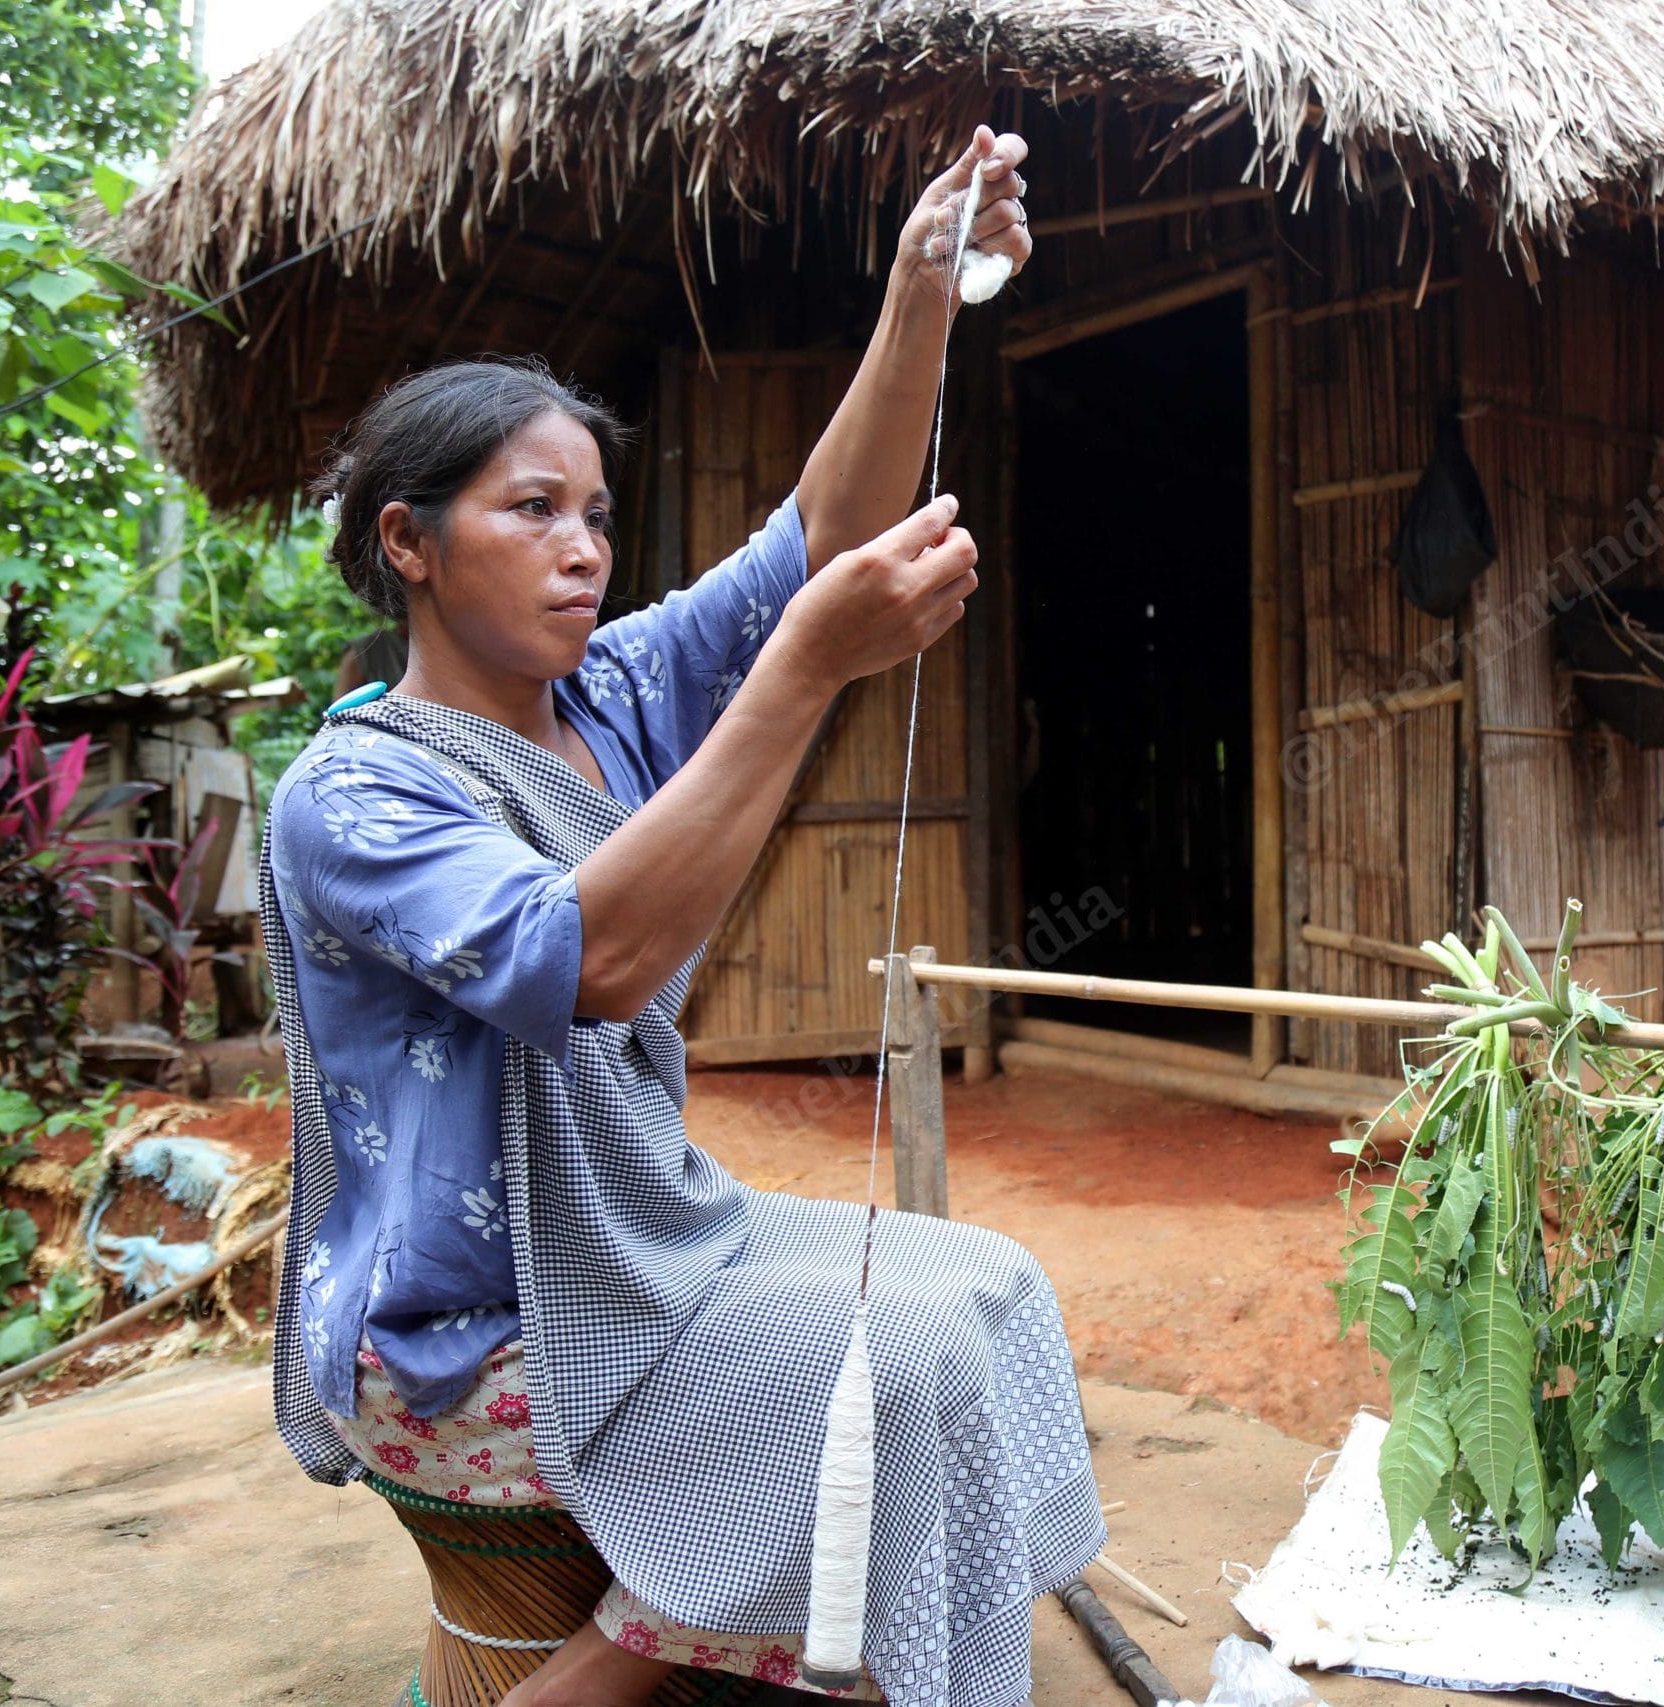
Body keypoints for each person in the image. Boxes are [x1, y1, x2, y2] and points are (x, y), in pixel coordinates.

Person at [260, 130, 1094, 1707]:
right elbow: (594, 961)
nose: (583, 547)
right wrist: (803, 670)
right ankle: (612, 1672)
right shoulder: (354, 796)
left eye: (594, 510)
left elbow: (821, 536)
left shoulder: (615, 689)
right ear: (407, 543)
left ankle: (769, 1639)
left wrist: (922, 292)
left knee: (987, 1283)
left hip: (647, 1239)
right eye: (530, 511)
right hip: (470, 1330)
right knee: (892, 1365)